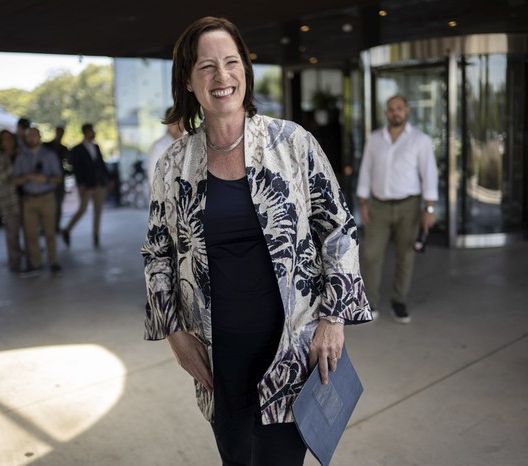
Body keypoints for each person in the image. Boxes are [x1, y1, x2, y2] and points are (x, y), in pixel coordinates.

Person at [141, 17, 371, 465]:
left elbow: (339, 229)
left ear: (245, 69)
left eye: (231, 62)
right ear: (188, 80)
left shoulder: (293, 143)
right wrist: (174, 334)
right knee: (236, 458)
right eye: (207, 67)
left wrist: (334, 318)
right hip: (217, 356)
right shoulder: (174, 163)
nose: (222, 77)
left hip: (292, 351)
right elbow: (157, 254)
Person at [355, 95, 438, 324]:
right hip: (378, 206)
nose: (395, 113)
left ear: (407, 111)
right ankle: (370, 303)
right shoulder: (375, 139)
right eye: (391, 109)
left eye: (399, 108)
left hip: (409, 206)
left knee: (406, 255)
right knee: (371, 255)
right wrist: (362, 203)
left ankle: (399, 301)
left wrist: (429, 208)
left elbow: (429, 174)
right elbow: (366, 171)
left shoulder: (420, 140)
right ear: (386, 113)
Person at [13, 127, 63, 277]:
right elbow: (15, 180)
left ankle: (53, 261)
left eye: (35, 135)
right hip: (29, 199)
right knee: (30, 234)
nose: (32, 138)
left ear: (40, 137)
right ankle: (35, 263)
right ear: (26, 138)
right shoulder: (21, 157)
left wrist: (45, 179)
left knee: (49, 232)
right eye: (29, 136)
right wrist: (27, 177)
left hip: (47, 197)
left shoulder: (49, 155)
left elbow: (59, 178)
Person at [61, 123, 109, 248]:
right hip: (87, 185)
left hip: (98, 183)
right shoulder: (77, 149)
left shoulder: (96, 147)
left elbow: (101, 164)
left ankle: (96, 235)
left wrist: (107, 179)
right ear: (86, 132)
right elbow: (76, 168)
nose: (93, 133)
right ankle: (67, 229)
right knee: (82, 209)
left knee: (98, 210)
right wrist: (81, 184)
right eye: (91, 131)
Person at [0, 130, 24, 273]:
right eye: (5, 139)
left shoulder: (23, 154)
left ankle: (32, 260)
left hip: (25, 198)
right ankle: (15, 262)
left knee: (30, 232)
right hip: (9, 201)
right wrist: (16, 161)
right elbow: (4, 177)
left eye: (10, 138)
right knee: (12, 234)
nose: (8, 141)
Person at [147, 107, 183, 188]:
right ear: (167, 123)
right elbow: (153, 180)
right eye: (174, 121)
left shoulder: (187, 144)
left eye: (181, 120)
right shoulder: (159, 147)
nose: (179, 125)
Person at [44, 126, 71, 232]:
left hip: (59, 179)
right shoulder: (47, 146)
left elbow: (68, 163)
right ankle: (46, 226)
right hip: (48, 179)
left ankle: (56, 225)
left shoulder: (63, 148)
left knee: (58, 203)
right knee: (48, 204)